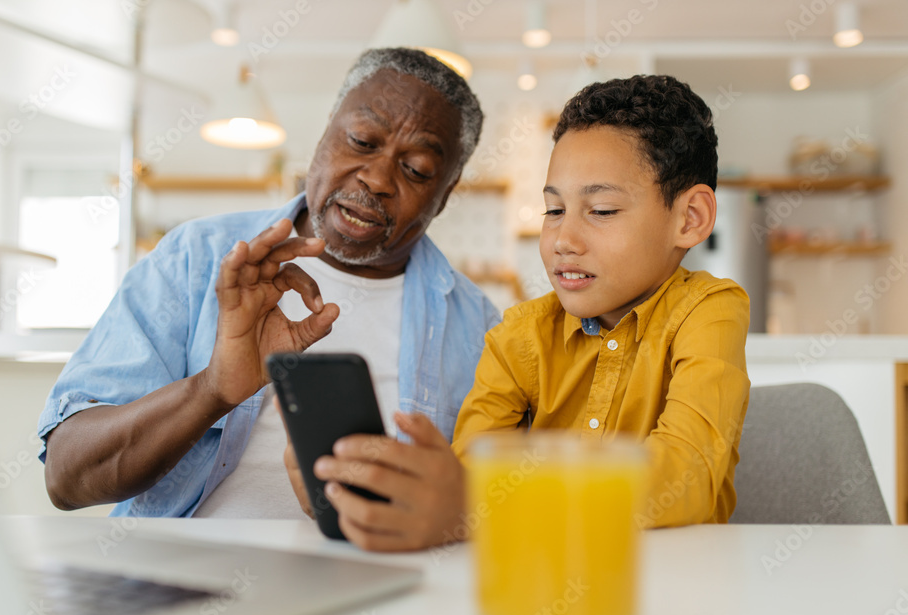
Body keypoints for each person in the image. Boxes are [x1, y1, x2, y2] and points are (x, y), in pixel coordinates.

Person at [37, 48, 500, 526]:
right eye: (362, 141)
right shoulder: (194, 258)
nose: (377, 178)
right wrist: (212, 390)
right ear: (325, 133)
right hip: (182, 572)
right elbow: (67, 477)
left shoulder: (482, 330)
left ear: (446, 192)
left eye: (417, 169)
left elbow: (503, 511)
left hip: (374, 574)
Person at [311, 74, 750, 550]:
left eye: (602, 210)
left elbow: (687, 476)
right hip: (538, 571)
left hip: (678, 578)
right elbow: (469, 474)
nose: (563, 240)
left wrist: (486, 501)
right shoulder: (518, 336)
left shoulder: (709, 310)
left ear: (690, 218)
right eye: (554, 210)